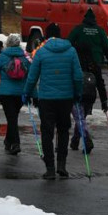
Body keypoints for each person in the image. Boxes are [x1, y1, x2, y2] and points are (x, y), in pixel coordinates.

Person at [23, 23, 83, 180]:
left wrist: (27, 93)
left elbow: (32, 76)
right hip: (66, 98)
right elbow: (78, 76)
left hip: (46, 99)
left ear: (46, 36)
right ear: (60, 34)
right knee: (63, 130)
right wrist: (78, 93)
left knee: (47, 132)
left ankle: (50, 168)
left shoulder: (41, 52)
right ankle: (62, 165)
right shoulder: (71, 51)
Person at [71, 41, 108, 152]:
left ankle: (87, 140)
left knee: (79, 118)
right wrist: (104, 101)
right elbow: (100, 83)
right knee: (81, 118)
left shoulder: (74, 64)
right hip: (90, 96)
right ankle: (75, 141)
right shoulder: (94, 65)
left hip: (77, 94)